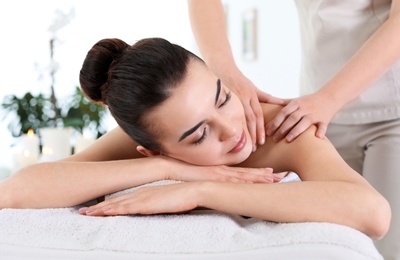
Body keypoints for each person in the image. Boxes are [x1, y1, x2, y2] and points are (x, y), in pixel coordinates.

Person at [0, 37, 390, 241]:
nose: (231, 129)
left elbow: (372, 213)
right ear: (151, 148)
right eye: (199, 134)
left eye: (222, 97)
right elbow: (14, 192)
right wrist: (164, 168)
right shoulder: (150, 141)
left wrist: (199, 191)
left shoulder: (279, 128)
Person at [187, 1, 400, 258]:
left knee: (390, 246)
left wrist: (329, 99)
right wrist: (225, 72)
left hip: (388, 104)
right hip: (322, 105)